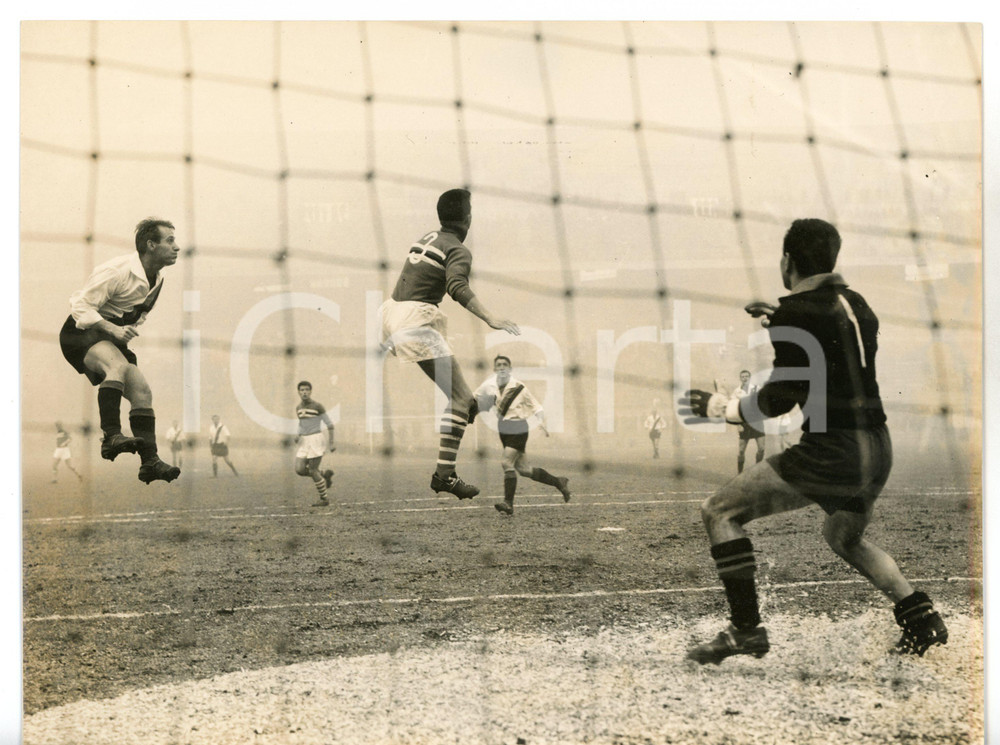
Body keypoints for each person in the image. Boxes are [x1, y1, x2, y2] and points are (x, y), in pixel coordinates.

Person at [679, 218, 947, 664]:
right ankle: (921, 619)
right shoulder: (857, 304)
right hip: (877, 446)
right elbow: (831, 345)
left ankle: (745, 630)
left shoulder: (797, 315)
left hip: (835, 450)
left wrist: (722, 408)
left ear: (787, 260)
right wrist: (784, 324)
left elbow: (779, 401)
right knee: (843, 536)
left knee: (719, 511)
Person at [379, 188, 520, 500]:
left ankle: (474, 409)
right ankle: (445, 475)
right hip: (415, 319)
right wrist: (490, 317)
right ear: (467, 219)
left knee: (463, 400)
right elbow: (456, 286)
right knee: (459, 400)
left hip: (392, 312)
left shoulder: (427, 238)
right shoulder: (458, 249)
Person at [58, 218, 181, 484]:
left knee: (142, 391)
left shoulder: (158, 279)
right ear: (151, 245)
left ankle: (150, 461)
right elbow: (80, 306)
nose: (177, 247)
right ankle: (111, 436)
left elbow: (139, 313)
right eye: (170, 240)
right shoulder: (117, 270)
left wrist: (124, 330)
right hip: (80, 332)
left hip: (110, 337)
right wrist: (113, 329)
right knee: (119, 368)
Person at [474, 355, 571, 516]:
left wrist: (541, 422)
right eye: (499, 365)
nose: (502, 367)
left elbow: (536, 406)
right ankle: (559, 481)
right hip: (503, 429)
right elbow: (473, 397)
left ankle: (508, 503)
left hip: (518, 427)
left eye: (505, 364)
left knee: (506, 462)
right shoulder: (488, 385)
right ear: (495, 369)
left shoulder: (519, 387)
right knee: (524, 469)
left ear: (510, 369)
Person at [293, 381, 336, 507]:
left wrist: (331, 443)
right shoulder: (298, 408)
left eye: (307, 389)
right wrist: (298, 434)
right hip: (304, 441)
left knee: (312, 470)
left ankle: (324, 499)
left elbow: (330, 424)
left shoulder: (317, 406)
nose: (304, 392)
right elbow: (302, 423)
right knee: (300, 470)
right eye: (302, 390)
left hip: (316, 439)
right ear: (298, 392)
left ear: (310, 391)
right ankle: (324, 474)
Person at [734, 370, 766, 473]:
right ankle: (740, 473)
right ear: (740, 378)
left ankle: (757, 470)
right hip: (744, 423)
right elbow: (735, 409)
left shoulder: (756, 388)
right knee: (741, 450)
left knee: (761, 448)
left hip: (757, 422)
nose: (745, 378)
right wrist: (738, 424)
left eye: (746, 376)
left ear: (750, 377)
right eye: (742, 376)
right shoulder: (737, 391)